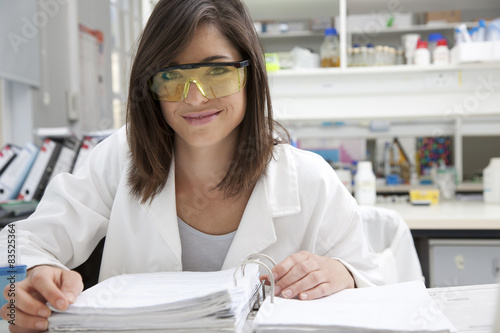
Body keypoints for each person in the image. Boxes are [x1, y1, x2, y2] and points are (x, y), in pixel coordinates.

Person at [0, 0, 382, 330]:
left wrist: (344, 276)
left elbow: (380, 289)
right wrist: (25, 279)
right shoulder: (119, 157)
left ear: (250, 75)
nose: (195, 97)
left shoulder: (310, 179)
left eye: (216, 71)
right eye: (172, 76)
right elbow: (17, 242)